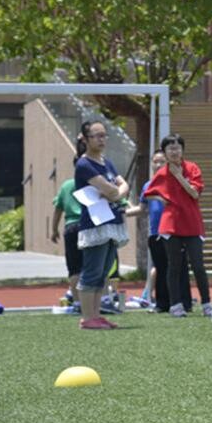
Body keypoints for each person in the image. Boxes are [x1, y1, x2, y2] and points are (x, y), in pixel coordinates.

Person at [143, 134, 211, 318]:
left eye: (178, 147)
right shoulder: (161, 173)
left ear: (183, 150)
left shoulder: (192, 168)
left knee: (198, 265)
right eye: (170, 148)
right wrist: (161, 198)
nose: (174, 151)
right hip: (170, 224)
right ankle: (176, 305)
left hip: (191, 222)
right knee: (174, 266)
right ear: (164, 152)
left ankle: (206, 304)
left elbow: (194, 194)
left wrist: (179, 176)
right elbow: (148, 194)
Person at [73, 120, 130, 330]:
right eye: (97, 136)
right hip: (95, 224)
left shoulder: (107, 162)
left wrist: (116, 193)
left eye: (104, 135)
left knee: (104, 271)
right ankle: (87, 318)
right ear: (86, 139)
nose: (102, 139)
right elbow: (112, 190)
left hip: (111, 221)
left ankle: (96, 315)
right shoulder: (84, 164)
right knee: (92, 270)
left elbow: (122, 186)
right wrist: (116, 193)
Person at [129, 150, 191, 314]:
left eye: (161, 161)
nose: (157, 165)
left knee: (179, 268)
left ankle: (184, 302)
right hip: (155, 233)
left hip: (174, 232)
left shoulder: (175, 183)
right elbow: (142, 208)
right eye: (155, 162)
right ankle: (162, 303)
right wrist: (124, 212)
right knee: (161, 268)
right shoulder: (147, 186)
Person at [51, 165, 84, 314]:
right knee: (92, 266)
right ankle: (97, 302)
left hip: (71, 227)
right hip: (88, 225)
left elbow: (58, 208)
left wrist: (54, 229)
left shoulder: (66, 185)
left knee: (74, 268)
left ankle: (78, 303)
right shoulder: (93, 183)